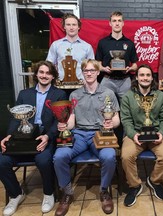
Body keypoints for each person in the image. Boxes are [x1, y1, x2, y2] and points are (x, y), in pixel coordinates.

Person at [53, 59, 120, 216]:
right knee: (59, 156)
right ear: (82, 73)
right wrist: (64, 125)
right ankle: (67, 192)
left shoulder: (108, 93)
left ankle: (104, 191)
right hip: (79, 134)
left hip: (100, 134)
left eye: (92, 70)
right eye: (86, 71)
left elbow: (116, 118)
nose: (89, 73)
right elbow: (71, 120)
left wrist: (112, 124)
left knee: (109, 156)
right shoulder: (75, 95)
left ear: (98, 72)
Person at [0, 61, 67, 216]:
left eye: (48, 73)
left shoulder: (59, 94)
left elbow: (59, 120)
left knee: (43, 160)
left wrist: (47, 136)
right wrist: (9, 136)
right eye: (41, 72)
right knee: (2, 161)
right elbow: (15, 118)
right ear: (36, 74)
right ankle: (16, 194)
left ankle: (49, 193)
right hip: (23, 136)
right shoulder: (24, 94)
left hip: (45, 136)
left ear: (52, 76)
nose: (44, 76)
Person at [120, 64, 163, 207]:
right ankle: (135, 185)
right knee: (126, 156)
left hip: (156, 134)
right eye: (142, 75)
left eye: (148, 75)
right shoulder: (128, 96)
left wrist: (162, 133)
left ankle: (154, 181)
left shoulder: (161, 96)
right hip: (135, 134)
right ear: (136, 77)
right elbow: (125, 120)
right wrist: (133, 134)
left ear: (152, 78)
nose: (145, 78)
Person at [95, 11, 138, 100]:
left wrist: (130, 69)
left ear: (123, 23)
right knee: (105, 108)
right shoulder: (103, 42)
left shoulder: (129, 43)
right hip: (107, 80)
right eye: (114, 21)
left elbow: (135, 65)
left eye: (119, 21)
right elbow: (98, 64)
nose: (117, 23)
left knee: (127, 108)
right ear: (110, 23)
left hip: (125, 81)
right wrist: (103, 68)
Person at [47, 13, 94, 82]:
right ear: (64, 27)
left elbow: (92, 68)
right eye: (68, 24)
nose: (71, 28)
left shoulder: (87, 47)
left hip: (81, 87)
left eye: (74, 25)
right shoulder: (56, 45)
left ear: (78, 27)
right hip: (61, 86)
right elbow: (49, 65)